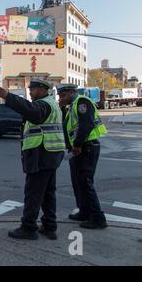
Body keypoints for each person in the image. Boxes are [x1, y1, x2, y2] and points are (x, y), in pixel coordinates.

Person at [0, 79, 66, 240]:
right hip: (51, 153)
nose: (30, 92)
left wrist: (8, 96)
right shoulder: (52, 104)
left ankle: (28, 227)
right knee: (48, 193)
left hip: (42, 152)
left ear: (43, 89)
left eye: (32, 89)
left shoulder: (44, 104)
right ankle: (49, 226)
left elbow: (32, 112)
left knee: (33, 192)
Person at [57, 84, 108, 229]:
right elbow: (66, 125)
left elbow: (87, 124)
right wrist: (61, 107)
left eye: (63, 95)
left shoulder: (82, 102)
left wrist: (78, 145)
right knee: (78, 182)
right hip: (77, 149)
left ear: (72, 92)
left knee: (85, 183)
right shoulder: (71, 106)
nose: (61, 98)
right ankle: (84, 211)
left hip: (86, 147)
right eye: (60, 96)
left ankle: (98, 218)